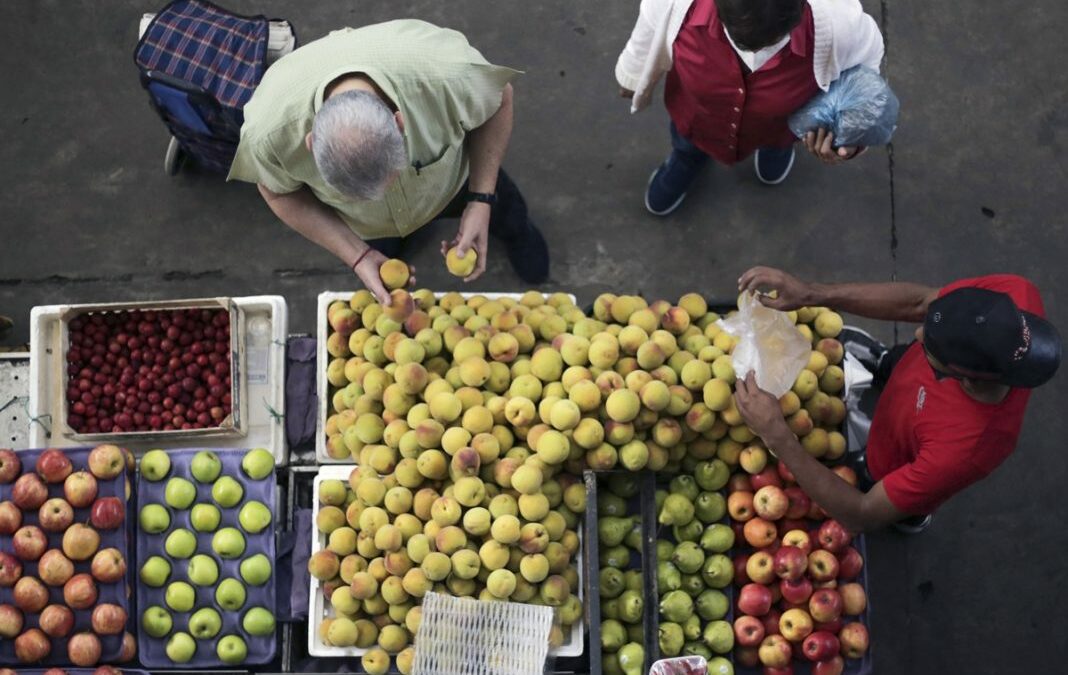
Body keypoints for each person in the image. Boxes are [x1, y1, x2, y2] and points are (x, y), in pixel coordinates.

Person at [228, 20, 550, 302]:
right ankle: (390, 238)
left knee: (503, 207)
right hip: (367, 225)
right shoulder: (268, 134)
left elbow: (500, 99)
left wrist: (481, 199)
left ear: (399, 122)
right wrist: (358, 254)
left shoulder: (447, 74)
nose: (383, 196)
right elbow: (276, 191)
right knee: (385, 244)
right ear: (310, 143)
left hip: (453, 183)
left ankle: (515, 230)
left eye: (394, 176)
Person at [732, 266, 1062, 534]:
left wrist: (777, 435)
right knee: (900, 359)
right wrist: (812, 293)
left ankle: (909, 514)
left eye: (932, 347)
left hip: (895, 457)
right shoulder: (1015, 295)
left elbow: (863, 514)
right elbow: (921, 304)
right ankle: (884, 363)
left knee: (879, 482)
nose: (918, 332)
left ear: (967, 376)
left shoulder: (964, 450)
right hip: (910, 383)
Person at [615, 0, 884, 215]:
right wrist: (633, 73)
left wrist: (847, 133)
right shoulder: (672, 4)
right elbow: (648, 28)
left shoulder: (842, 24)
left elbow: (867, 62)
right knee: (687, 142)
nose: (754, 53)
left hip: (780, 125)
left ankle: (776, 151)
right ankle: (686, 159)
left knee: (778, 139)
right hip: (697, 114)